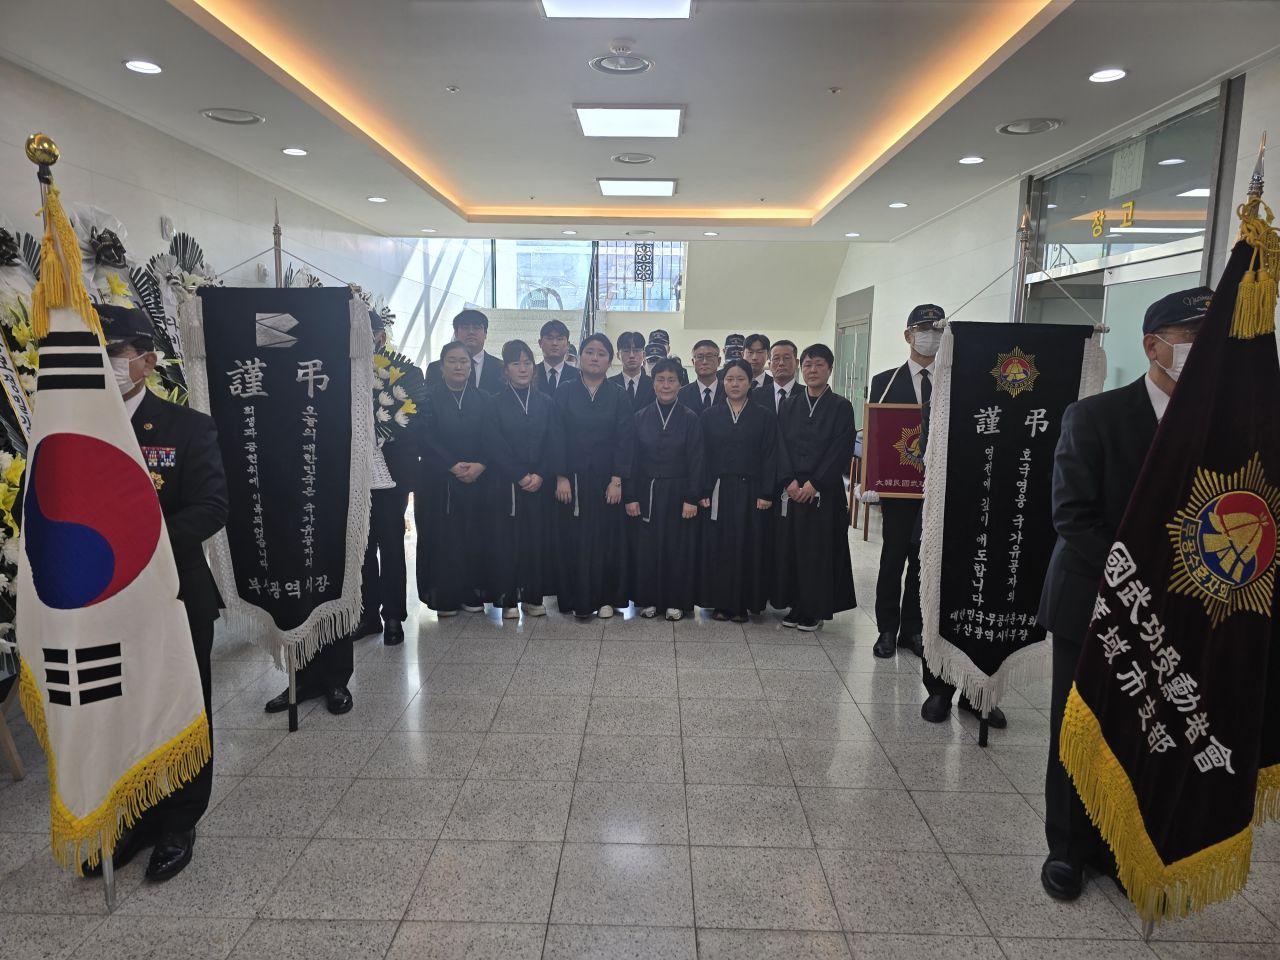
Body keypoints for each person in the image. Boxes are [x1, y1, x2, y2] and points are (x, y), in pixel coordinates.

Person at [1036, 286, 1209, 902]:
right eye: (1190, 340)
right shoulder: (1096, 416)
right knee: (1081, 725)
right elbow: (1073, 516)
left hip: (1178, 611)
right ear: (1153, 346)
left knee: (1144, 728)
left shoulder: (1218, 426)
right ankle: (1067, 848)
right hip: (1094, 602)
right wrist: (1144, 577)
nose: (1200, 352)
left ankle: (1120, 843)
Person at [93, 304, 228, 882]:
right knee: (124, 707)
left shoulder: (185, 427)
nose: (103, 364)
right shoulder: (74, 429)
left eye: (114, 353)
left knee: (181, 704)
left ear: (145, 362)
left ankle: (179, 819)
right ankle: (137, 816)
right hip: (101, 600)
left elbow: (211, 508)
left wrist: (137, 543)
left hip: (173, 592)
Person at [870, 304, 942, 660]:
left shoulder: (952, 382)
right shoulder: (884, 383)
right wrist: (872, 480)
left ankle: (913, 629)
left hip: (935, 490)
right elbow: (877, 435)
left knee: (922, 561)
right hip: (898, 489)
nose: (931, 336)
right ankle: (887, 628)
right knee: (893, 557)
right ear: (908, 335)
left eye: (937, 330)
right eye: (924, 329)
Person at [774, 343, 857, 631]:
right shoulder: (790, 405)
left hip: (824, 491)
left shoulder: (841, 407)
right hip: (792, 489)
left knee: (819, 552)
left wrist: (815, 483)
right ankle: (796, 604)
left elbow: (840, 449)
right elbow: (779, 445)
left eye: (819, 365)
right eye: (807, 365)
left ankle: (815, 609)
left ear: (830, 369)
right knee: (793, 549)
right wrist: (789, 481)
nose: (812, 370)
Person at [555, 333, 634, 619]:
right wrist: (561, 476)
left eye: (601, 353)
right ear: (579, 357)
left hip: (606, 481)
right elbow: (557, 434)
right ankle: (575, 599)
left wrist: (617, 479)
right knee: (573, 539)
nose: (595, 358)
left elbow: (625, 439)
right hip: (573, 480)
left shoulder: (618, 395)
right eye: (589, 352)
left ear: (610, 361)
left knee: (606, 540)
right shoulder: (565, 391)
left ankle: (605, 598)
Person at [354, 310, 421, 647]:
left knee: (392, 543)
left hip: (391, 474)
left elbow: (417, 424)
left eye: (369, 333)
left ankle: (393, 615)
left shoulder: (406, 374)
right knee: (361, 546)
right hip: (354, 474)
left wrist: (385, 435)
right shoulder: (343, 371)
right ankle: (366, 615)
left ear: (381, 336)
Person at [417, 341, 495, 616]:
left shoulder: (484, 398)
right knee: (443, 537)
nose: (458, 366)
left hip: (477, 478)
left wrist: (481, 464)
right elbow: (424, 437)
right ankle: (445, 596)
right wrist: (450, 465)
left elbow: (493, 435)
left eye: (464, 361)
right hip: (438, 480)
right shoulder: (426, 399)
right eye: (452, 361)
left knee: (474, 535)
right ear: (441, 367)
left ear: (471, 367)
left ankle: (472, 592)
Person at [698, 358, 777, 622]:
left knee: (747, 545)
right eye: (730, 379)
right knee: (719, 546)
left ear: (750, 382)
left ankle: (743, 604)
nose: (735, 384)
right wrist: (703, 491)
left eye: (740, 379)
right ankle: (720, 603)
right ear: (723, 382)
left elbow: (770, 455)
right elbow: (702, 457)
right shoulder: (710, 416)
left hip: (751, 491)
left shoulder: (764, 416)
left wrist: (766, 492)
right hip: (719, 489)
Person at [626, 359, 705, 620]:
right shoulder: (640, 417)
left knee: (677, 547)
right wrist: (631, 496)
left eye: (672, 380)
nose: (666, 385)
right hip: (647, 491)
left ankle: (676, 601)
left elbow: (697, 460)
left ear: (680, 384)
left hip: (679, 492)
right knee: (648, 548)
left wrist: (692, 497)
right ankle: (649, 599)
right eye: (660, 380)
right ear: (653, 383)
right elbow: (633, 460)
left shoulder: (691, 418)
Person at [489, 340, 563, 618]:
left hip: (540, 484)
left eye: (527, 363)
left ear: (534, 368)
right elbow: (494, 444)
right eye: (516, 363)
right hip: (508, 484)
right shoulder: (494, 403)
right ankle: (508, 599)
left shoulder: (546, 402)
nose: (523, 368)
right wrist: (520, 475)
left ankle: (533, 597)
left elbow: (554, 442)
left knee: (537, 540)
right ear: (505, 370)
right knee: (508, 542)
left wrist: (541, 474)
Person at [425, 309, 504, 394]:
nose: (471, 332)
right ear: (456, 333)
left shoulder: (501, 368)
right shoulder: (435, 368)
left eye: (476, 327)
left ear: (485, 333)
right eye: (465, 327)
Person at [610, 330, 655, 410]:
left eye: (636, 350)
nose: (631, 355)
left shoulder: (653, 385)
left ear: (644, 354)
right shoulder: (610, 385)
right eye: (626, 351)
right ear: (618, 355)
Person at [534, 318, 580, 394]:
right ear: (540, 343)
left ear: (568, 345)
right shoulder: (531, 373)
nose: (554, 343)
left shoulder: (579, 376)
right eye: (549, 338)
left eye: (560, 339)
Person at [678, 339, 725, 412]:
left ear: (719, 361)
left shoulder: (728, 392)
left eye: (709, 356)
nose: (704, 362)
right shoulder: (681, 394)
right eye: (700, 357)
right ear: (693, 362)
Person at [761, 340, 798, 414]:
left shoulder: (806, 394)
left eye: (787, 358)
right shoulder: (756, 395)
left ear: (797, 363)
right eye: (776, 358)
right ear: (769, 365)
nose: (781, 363)